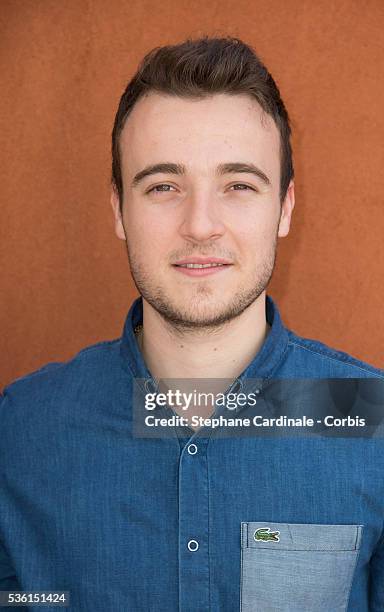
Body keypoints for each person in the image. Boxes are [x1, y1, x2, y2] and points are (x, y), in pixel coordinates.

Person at [1, 36, 383, 612]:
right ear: (118, 210)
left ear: (284, 208)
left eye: (239, 185)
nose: (201, 224)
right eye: (163, 186)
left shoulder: (372, 426)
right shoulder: (17, 433)